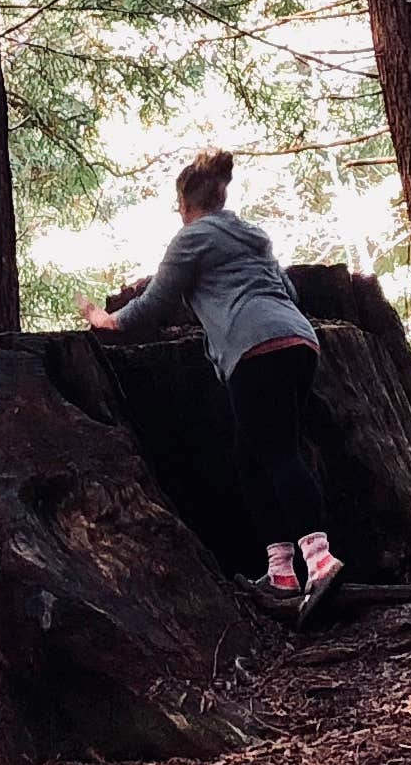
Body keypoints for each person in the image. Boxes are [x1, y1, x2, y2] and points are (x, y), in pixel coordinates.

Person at [82, 149, 342, 618]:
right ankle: (282, 571)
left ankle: (319, 562)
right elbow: (290, 292)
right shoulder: (252, 238)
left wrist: (107, 320)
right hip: (299, 342)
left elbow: (152, 306)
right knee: (253, 458)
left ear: (186, 203)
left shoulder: (191, 239)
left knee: (278, 453)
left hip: (254, 349)